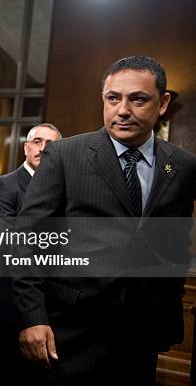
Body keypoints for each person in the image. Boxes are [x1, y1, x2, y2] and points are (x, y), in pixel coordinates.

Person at [12, 56, 196, 385]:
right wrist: (32, 317)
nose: (122, 110)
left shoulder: (183, 166)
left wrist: (168, 312)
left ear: (163, 102)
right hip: (69, 332)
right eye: (113, 98)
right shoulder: (65, 155)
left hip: (142, 336)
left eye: (137, 99)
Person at [0, 123, 61, 386]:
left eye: (51, 144)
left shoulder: (65, 191)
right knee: (2, 375)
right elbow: (7, 244)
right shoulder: (4, 186)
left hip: (51, 303)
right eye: (38, 141)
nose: (43, 148)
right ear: (27, 147)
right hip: (10, 301)